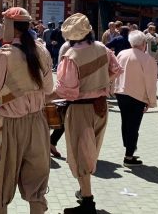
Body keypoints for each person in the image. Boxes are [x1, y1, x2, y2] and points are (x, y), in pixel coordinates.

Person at [0, 7, 54, 214]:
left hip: (8, 124)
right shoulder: (41, 50)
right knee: (36, 181)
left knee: (0, 178)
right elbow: (49, 88)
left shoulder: (4, 55)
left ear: (10, 26)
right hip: (37, 122)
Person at [49, 13, 120, 213]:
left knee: (80, 155)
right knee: (91, 153)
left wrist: (43, 97)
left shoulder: (71, 56)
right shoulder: (103, 48)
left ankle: (88, 202)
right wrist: (101, 83)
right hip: (101, 107)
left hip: (80, 109)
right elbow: (116, 69)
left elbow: (65, 91)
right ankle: (84, 194)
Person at [113, 30, 158, 166]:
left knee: (125, 122)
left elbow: (115, 72)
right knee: (133, 125)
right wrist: (151, 101)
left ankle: (128, 148)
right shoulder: (147, 59)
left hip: (121, 92)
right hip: (137, 96)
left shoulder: (122, 54)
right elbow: (150, 82)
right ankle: (129, 155)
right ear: (144, 44)